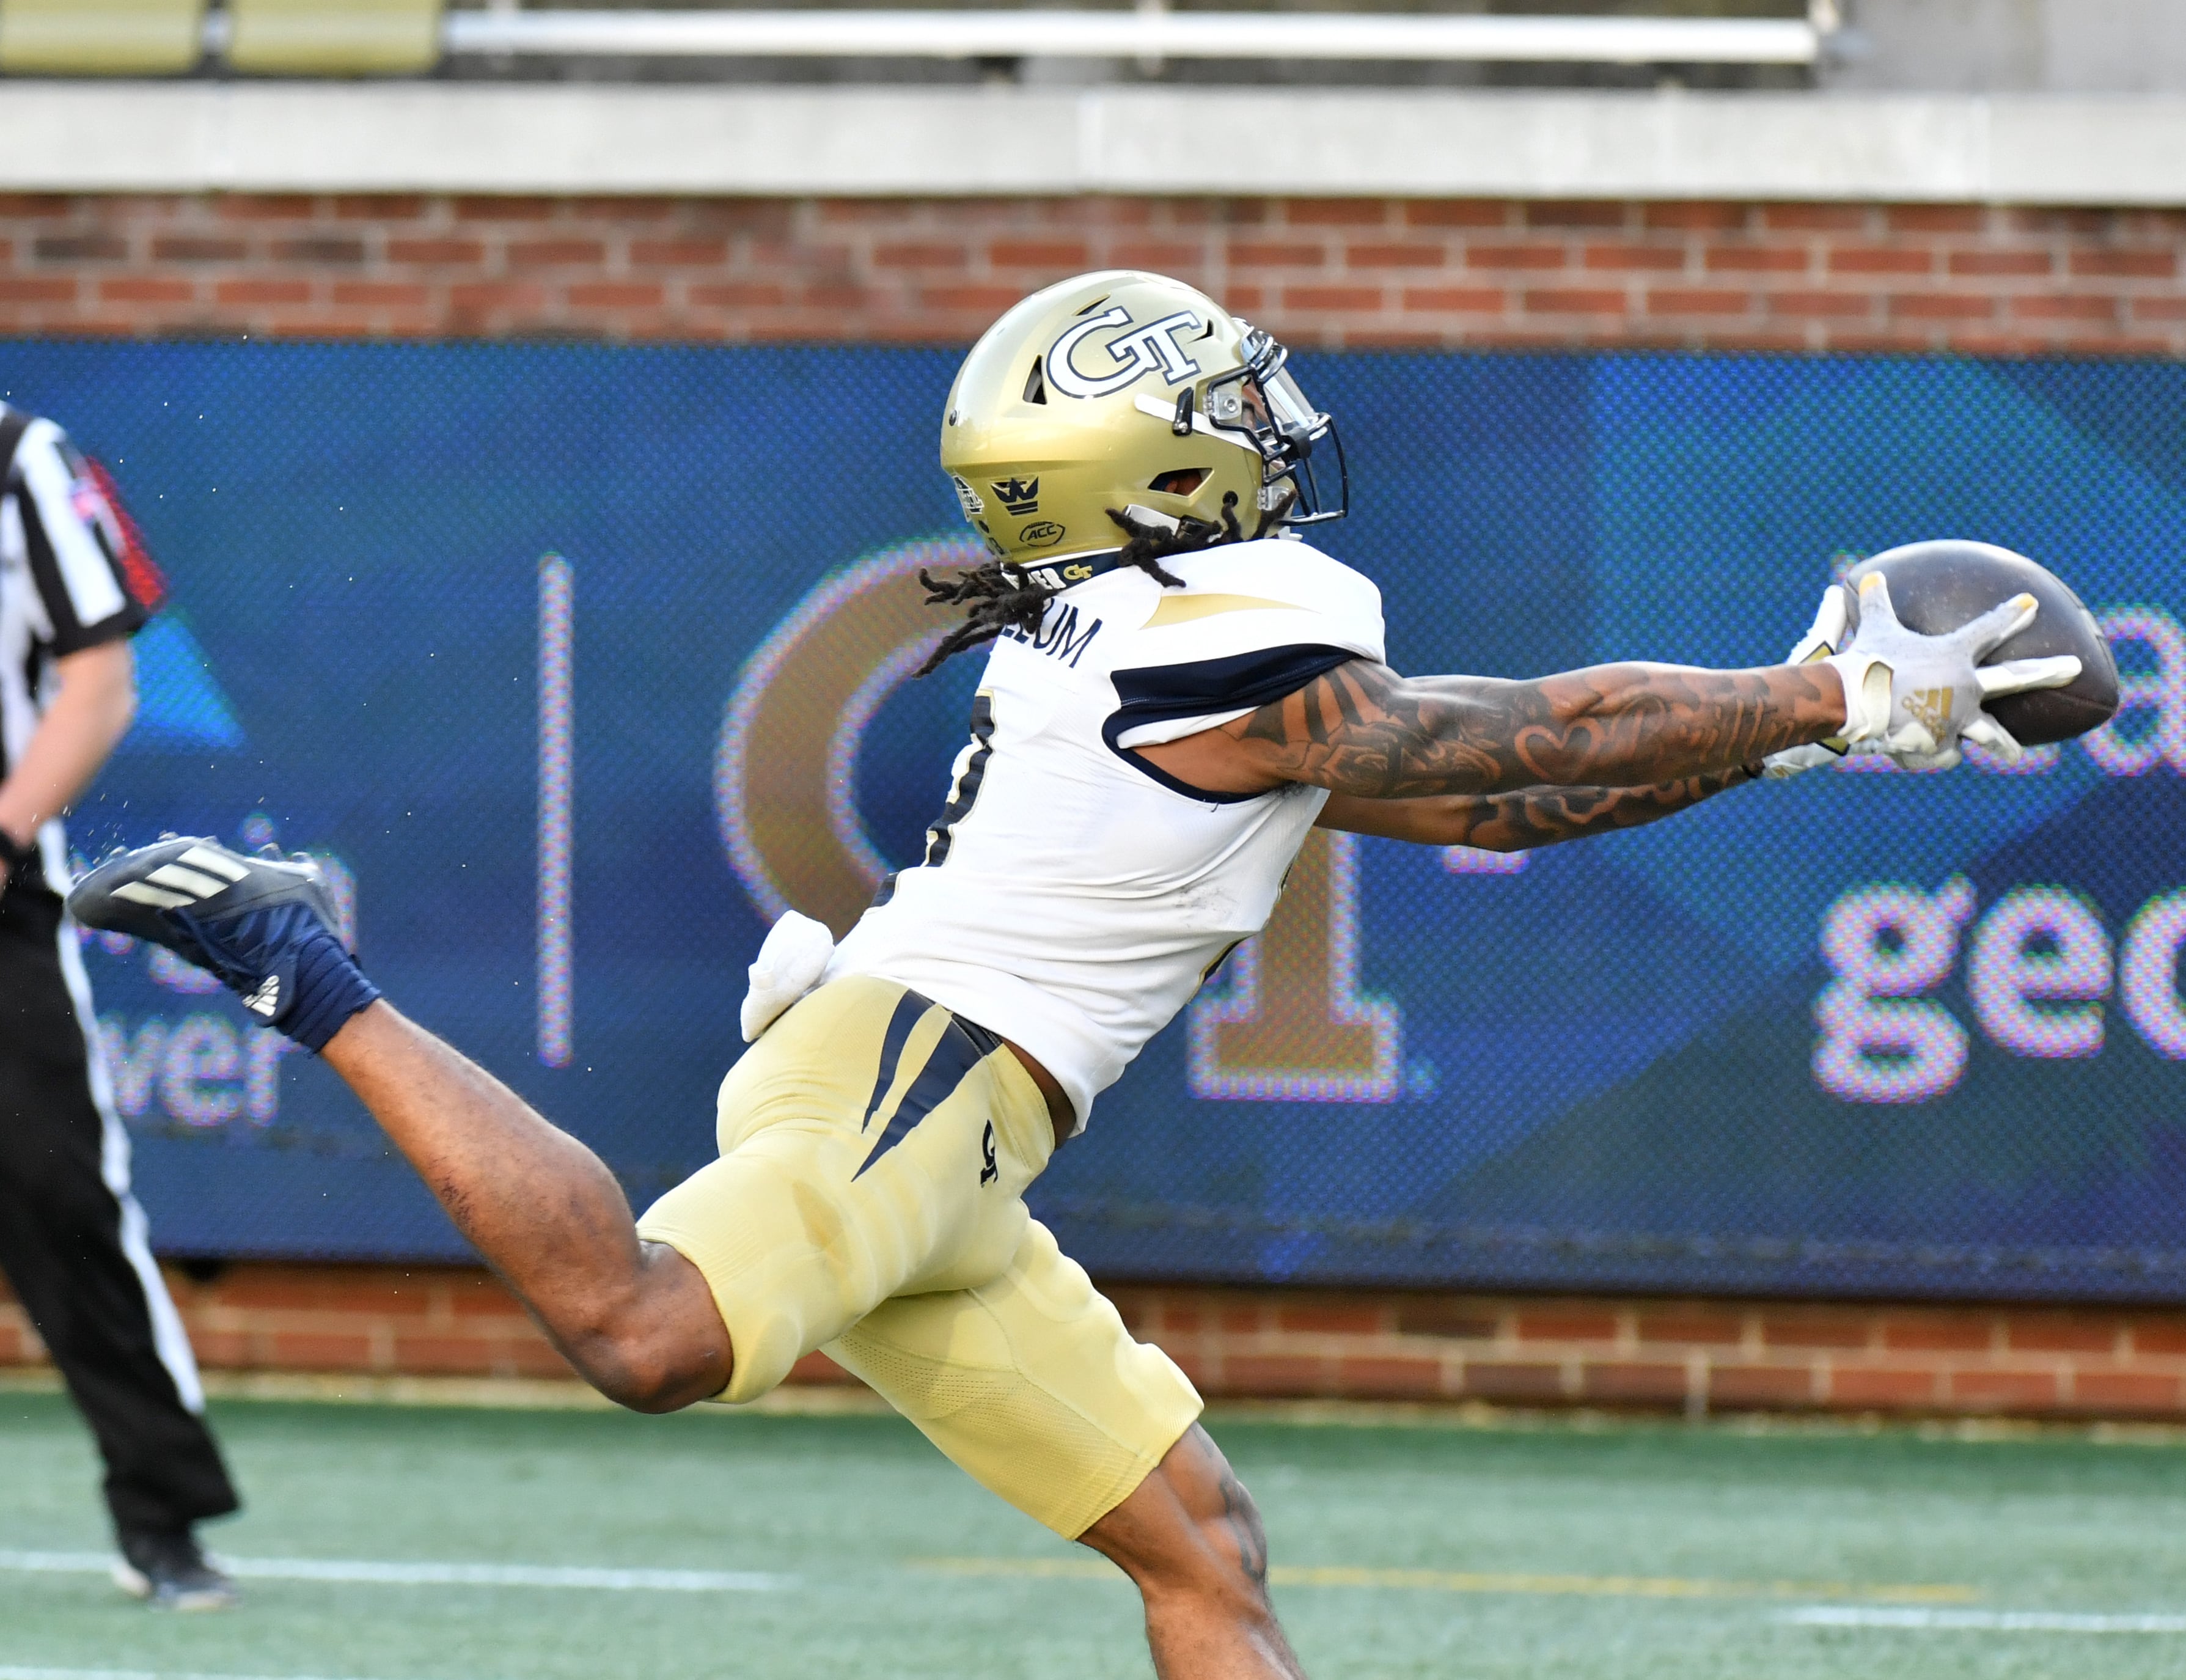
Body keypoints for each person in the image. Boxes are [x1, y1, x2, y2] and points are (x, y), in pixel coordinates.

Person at [71, 271, 2072, 1673]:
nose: (1268, 427)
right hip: (907, 1081)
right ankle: (292, 956)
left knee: (1197, 1544)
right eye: (1217, 412)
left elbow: (1496, 808)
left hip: (966, 1141)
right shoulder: (1225, 623)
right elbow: (1527, 741)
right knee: (648, 1335)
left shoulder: (1175, 640)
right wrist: (1837, 689)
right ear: (1154, 473)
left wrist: (1794, 733)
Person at [0, 406, 241, 1611]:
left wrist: (1, 828)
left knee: (61, 1199)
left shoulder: (22, 461)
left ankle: (165, 1514)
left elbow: (99, 681)